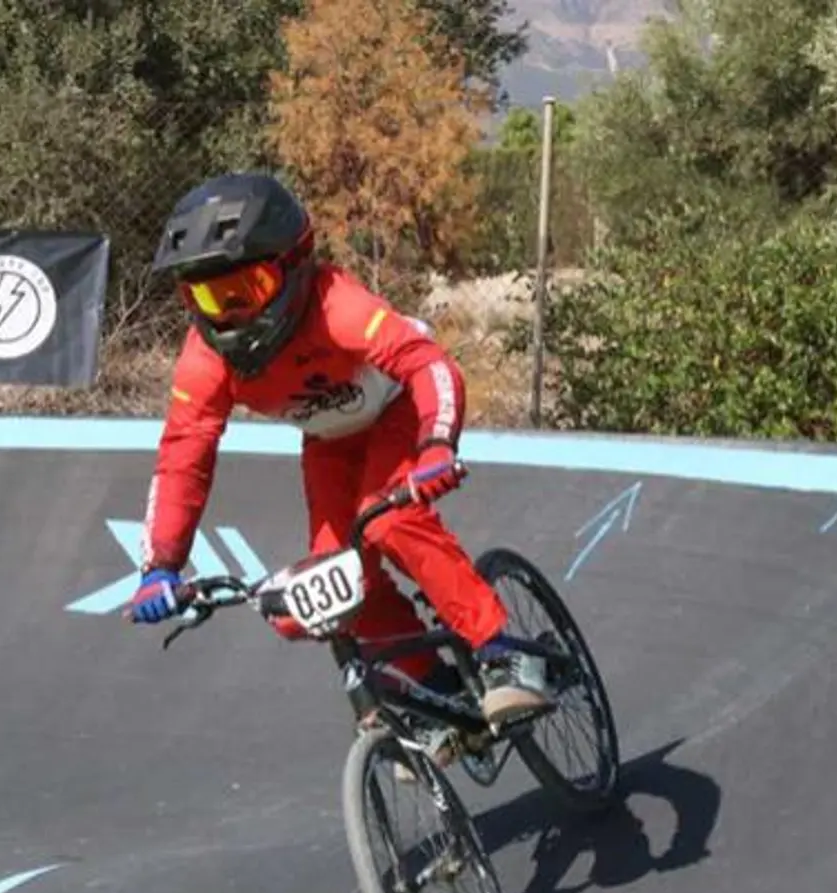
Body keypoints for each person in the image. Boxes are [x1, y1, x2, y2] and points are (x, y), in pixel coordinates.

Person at [125, 172, 552, 753]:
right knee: (331, 585)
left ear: (293, 266)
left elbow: (428, 367)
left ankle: (504, 653)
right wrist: (160, 565)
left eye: (243, 290)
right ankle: (436, 692)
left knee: (388, 520)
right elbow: (183, 457)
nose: (228, 316)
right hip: (329, 442)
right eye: (207, 297)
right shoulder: (205, 361)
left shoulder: (338, 307)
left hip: (398, 411)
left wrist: (437, 445)